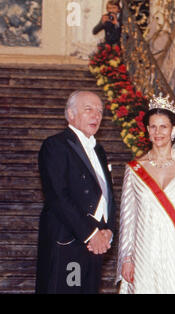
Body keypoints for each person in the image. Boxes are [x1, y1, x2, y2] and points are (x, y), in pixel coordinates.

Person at [116, 94, 175, 294]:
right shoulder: (134, 169)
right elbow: (128, 219)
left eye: (163, 126)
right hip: (144, 252)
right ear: (147, 130)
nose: (158, 132)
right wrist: (126, 258)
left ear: (173, 130)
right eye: (153, 127)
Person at [36, 91, 116, 293]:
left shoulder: (99, 150)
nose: (96, 115)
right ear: (70, 114)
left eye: (99, 111)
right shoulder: (55, 145)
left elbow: (108, 196)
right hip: (69, 240)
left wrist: (108, 230)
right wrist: (91, 234)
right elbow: (58, 197)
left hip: (95, 242)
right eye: (88, 109)